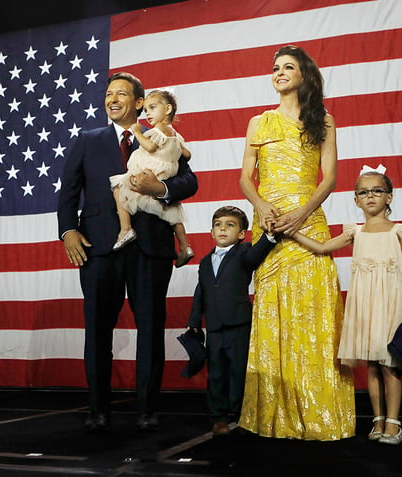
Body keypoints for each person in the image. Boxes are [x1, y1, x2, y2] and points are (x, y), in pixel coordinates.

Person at [57, 72, 199, 432]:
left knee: (150, 328)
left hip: (150, 246)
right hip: (99, 248)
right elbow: (68, 192)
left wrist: (161, 186)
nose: (112, 98)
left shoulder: (161, 136)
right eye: (108, 94)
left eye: (121, 93)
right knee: (97, 330)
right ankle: (97, 410)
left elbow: (189, 181)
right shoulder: (88, 140)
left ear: (139, 102)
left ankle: (148, 410)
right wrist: (68, 231)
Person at [237, 45, 355, 441]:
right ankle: (274, 413)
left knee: (315, 312)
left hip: (309, 222)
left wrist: (301, 214)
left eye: (288, 67)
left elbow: (329, 180)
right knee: (274, 314)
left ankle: (321, 414)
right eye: (275, 68)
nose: (279, 73)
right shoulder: (259, 122)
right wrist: (263, 207)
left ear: (305, 75)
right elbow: (245, 179)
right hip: (268, 224)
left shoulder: (324, 120)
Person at [290, 165, 402, 445]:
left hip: (392, 300)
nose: (370, 196)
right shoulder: (355, 233)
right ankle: (378, 421)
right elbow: (323, 247)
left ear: (389, 197)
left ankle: (394, 424)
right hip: (365, 301)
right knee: (373, 364)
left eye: (377, 191)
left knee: (390, 363)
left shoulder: (400, 232)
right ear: (355, 199)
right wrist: (293, 233)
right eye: (363, 192)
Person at [186, 206, 277, 436]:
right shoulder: (206, 261)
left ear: (241, 234)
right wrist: (194, 319)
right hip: (215, 327)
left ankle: (240, 415)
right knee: (216, 372)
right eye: (218, 225)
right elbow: (201, 291)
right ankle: (219, 417)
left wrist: (269, 236)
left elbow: (257, 255)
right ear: (211, 232)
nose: (223, 229)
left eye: (230, 225)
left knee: (238, 371)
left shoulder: (244, 252)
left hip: (239, 324)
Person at [110, 89, 195, 267]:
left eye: (152, 108)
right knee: (173, 213)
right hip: (166, 170)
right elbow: (186, 154)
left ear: (168, 109)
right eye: (146, 110)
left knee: (119, 189)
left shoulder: (158, 130)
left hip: (151, 174)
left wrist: (138, 133)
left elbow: (149, 147)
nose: (147, 113)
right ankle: (185, 247)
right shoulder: (175, 135)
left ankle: (125, 229)